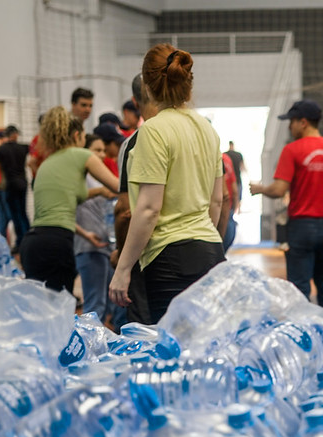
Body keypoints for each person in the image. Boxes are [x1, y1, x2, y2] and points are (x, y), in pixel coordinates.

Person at [109, 44, 225, 323]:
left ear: (147, 87)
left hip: (170, 259)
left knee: (176, 352)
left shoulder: (153, 130)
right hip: (210, 251)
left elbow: (148, 209)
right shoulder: (207, 128)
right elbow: (217, 200)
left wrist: (123, 268)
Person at [250, 100, 323, 327]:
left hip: (301, 227)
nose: (289, 128)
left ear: (303, 122)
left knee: (299, 288)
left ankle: (303, 338)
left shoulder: (292, 150)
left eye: (292, 122)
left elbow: (278, 190)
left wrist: (260, 189)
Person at [20, 107, 119, 293]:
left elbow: (58, 208)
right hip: (56, 244)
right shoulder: (81, 155)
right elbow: (118, 186)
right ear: (76, 135)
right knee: (60, 308)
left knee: (41, 308)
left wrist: (97, 192)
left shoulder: (47, 164)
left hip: (32, 243)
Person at [112, 74, 155, 325]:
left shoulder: (135, 143)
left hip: (149, 252)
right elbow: (221, 199)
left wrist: (122, 258)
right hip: (200, 248)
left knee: (145, 332)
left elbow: (126, 211)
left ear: (134, 101)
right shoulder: (202, 134)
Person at [74, 134, 117, 322]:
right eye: (96, 150)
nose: (101, 155)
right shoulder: (79, 179)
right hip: (88, 247)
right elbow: (73, 197)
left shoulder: (98, 178)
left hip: (103, 246)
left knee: (106, 303)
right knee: (94, 305)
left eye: (103, 151)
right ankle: (89, 348)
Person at [0, 125, 30, 253]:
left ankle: (21, 242)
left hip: (9, 186)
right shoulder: (24, 147)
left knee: (14, 215)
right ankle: (26, 240)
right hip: (22, 184)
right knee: (23, 213)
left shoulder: (0, 150)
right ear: (15, 135)